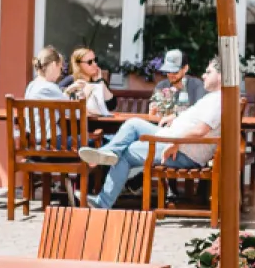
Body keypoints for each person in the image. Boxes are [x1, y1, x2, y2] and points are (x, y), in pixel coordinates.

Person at [81, 56, 223, 210]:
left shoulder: (219, 100)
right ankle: (106, 153)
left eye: (208, 72)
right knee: (133, 124)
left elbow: (200, 130)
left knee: (127, 152)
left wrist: (176, 142)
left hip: (182, 151)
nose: (203, 75)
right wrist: (175, 116)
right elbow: (196, 120)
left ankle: (102, 203)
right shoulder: (213, 98)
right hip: (170, 137)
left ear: (221, 76)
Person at [65, 47, 112, 115]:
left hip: (97, 122)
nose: (94, 64)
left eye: (95, 60)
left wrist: (100, 80)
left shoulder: (98, 81)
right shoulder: (71, 81)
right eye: (89, 62)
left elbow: (111, 106)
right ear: (78, 64)